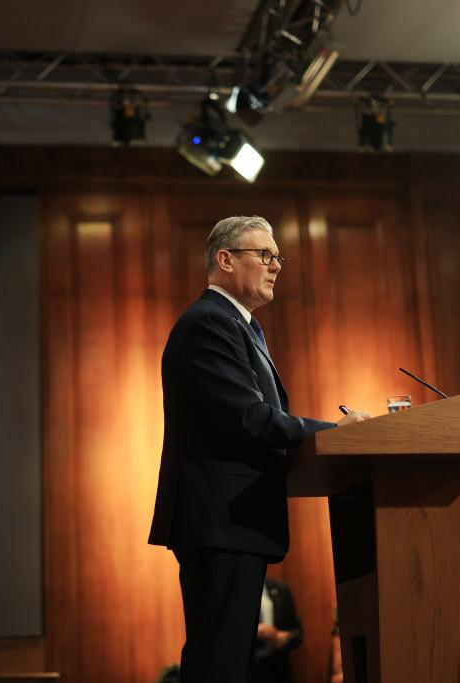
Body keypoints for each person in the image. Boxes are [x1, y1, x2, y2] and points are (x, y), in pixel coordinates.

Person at [148, 216, 369, 683]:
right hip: (220, 518)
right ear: (225, 260)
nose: (276, 266)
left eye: (277, 257)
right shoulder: (209, 322)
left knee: (228, 663)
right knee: (218, 664)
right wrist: (335, 432)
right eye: (264, 255)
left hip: (231, 519)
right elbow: (248, 417)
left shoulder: (241, 325)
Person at [252, 576, 302, 683]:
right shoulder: (232, 591)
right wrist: (255, 632)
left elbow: (298, 633)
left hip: (278, 669)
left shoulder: (280, 588)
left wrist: (286, 637)